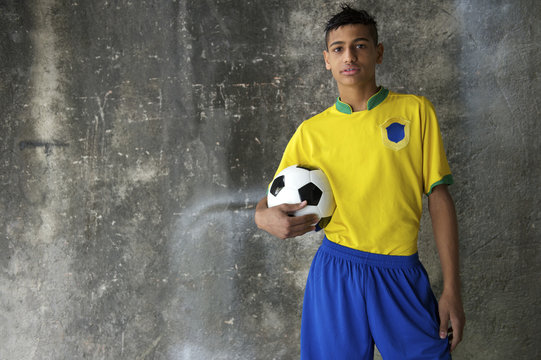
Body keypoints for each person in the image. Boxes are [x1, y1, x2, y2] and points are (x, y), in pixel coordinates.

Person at [254, 4, 465, 360]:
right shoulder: (312, 132)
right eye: (338, 48)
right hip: (336, 271)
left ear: (378, 52)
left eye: (360, 45)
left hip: (399, 271)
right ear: (327, 59)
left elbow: (439, 198)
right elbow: (269, 201)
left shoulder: (415, 112)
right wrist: (263, 218)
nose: (349, 56)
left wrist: (452, 289)